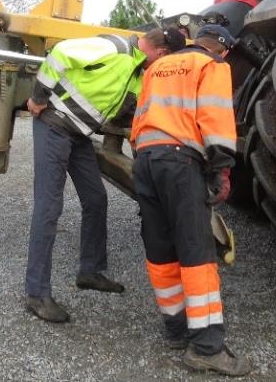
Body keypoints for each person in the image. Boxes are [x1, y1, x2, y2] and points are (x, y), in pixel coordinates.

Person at [24, 27, 186, 323]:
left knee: (96, 200)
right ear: (161, 53)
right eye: (164, 61)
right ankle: (36, 293)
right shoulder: (115, 48)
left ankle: (90, 271)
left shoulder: (138, 73)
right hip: (54, 124)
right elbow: (60, 54)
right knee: (49, 207)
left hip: (79, 135)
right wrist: (37, 98)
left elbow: (134, 114)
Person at [130, 24, 253, 377]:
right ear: (224, 50)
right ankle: (206, 348)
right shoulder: (211, 66)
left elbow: (140, 119)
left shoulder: (157, 67)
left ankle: (175, 329)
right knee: (197, 252)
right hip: (179, 162)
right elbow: (214, 118)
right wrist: (222, 170)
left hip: (146, 159)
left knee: (160, 247)